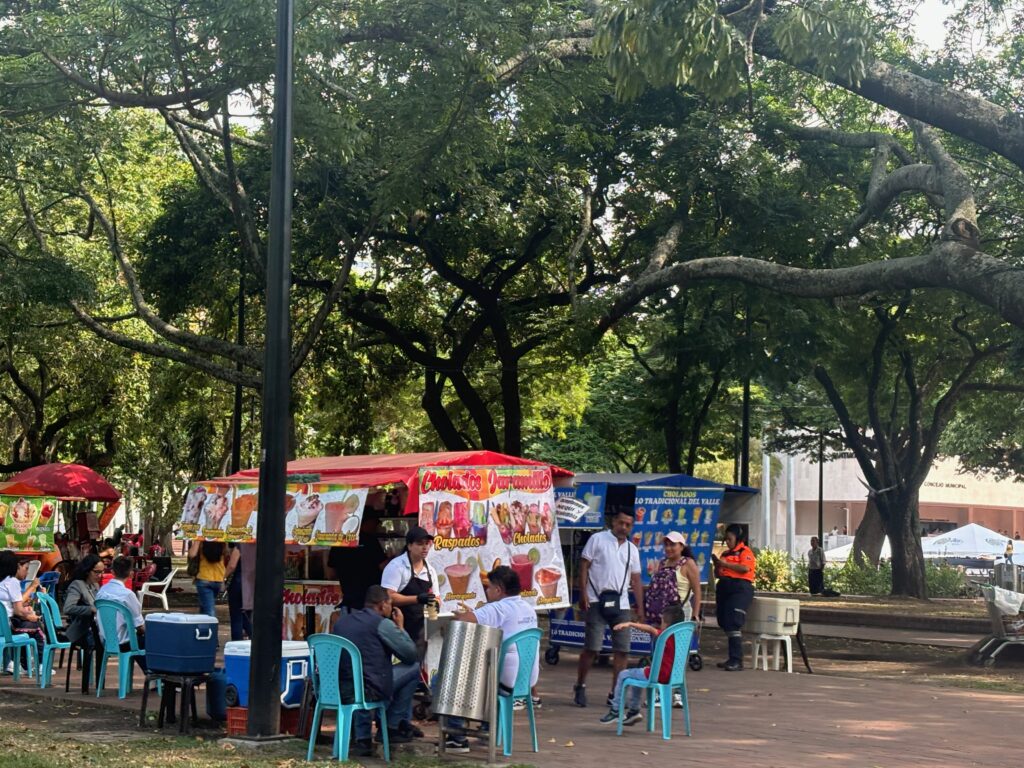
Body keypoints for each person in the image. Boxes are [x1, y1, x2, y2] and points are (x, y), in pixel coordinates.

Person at [444, 566, 539, 752]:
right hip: (526, 680)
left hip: (504, 681)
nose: (486, 591)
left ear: (498, 589)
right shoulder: (528, 608)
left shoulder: (498, 608)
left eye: (488, 587)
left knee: (450, 679)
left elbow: (464, 620)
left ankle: (457, 737)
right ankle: (489, 727)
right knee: (486, 670)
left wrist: (458, 615)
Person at [332, 585, 421, 757]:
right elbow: (410, 655)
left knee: (360, 676)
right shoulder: (382, 624)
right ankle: (390, 727)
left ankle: (362, 738)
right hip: (369, 689)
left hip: (338, 688)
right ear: (382, 605)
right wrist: (400, 628)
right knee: (413, 668)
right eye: (390, 603)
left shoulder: (341, 622)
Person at [574, 510, 644, 708]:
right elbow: (584, 565)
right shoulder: (598, 539)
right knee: (592, 647)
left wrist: (640, 607)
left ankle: (616, 692)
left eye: (628, 525)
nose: (624, 527)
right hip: (596, 599)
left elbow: (636, 579)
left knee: (622, 650)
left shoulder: (632, 549)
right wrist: (583, 593)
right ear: (614, 522)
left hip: (621, 603)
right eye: (621, 523)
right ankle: (580, 684)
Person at [599, 603, 687, 725]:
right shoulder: (683, 636)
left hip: (658, 675)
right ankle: (633, 712)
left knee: (624, 674)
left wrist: (629, 623)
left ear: (666, 623)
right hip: (674, 676)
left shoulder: (665, 635)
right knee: (637, 676)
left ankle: (615, 710)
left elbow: (650, 629)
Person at [381, 526, 438, 657]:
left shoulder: (430, 571)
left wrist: (435, 606)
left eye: (427, 544)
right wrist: (417, 599)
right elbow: (388, 597)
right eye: (419, 544)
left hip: (420, 629)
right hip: (398, 625)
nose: (425, 548)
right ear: (409, 546)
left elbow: (436, 596)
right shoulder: (396, 567)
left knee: (416, 666)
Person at [711, 523, 756, 671]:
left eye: (730, 539)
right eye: (726, 539)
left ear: (738, 538)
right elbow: (719, 573)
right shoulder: (725, 554)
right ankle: (731, 658)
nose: (728, 542)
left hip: (740, 588)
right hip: (724, 587)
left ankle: (737, 660)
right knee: (723, 620)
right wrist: (718, 565)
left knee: (733, 620)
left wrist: (726, 564)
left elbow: (744, 568)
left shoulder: (745, 551)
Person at [327, 509, 388, 612]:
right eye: (375, 523)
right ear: (367, 522)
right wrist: (395, 559)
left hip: (349, 601)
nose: (376, 527)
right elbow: (382, 566)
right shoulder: (370, 540)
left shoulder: (341, 541)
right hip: (369, 602)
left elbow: (330, 573)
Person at [94, 556, 147, 672]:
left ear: (112, 572)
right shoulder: (128, 595)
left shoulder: (102, 591)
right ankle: (155, 675)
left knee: (139, 641)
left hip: (106, 640)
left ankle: (152, 674)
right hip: (124, 642)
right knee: (150, 641)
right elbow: (140, 626)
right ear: (131, 574)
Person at [644, 532, 702, 625]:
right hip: (661, 616)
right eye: (666, 545)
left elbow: (697, 591)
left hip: (680, 614)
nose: (668, 548)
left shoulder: (688, 563)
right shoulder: (662, 563)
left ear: (682, 547)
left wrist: (695, 615)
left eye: (672, 545)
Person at [0, 551, 44, 670]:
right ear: (14, 566)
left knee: (28, 626)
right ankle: (40, 665)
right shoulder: (11, 581)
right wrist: (31, 616)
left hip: (4, 626)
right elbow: (18, 611)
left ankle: (21, 663)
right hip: (6, 628)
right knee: (37, 628)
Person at [63, 554, 103, 650]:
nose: (100, 575)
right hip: (82, 629)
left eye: (102, 572)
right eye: (96, 572)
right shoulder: (77, 585)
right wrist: (91, 609)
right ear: (87, 571)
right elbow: (68, 608)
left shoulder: (95, 585)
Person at [189, 540, 226, 617]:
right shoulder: (222, 540)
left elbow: (192, 554)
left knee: (209, 610)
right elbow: (227, 554)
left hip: (204, 578)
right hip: (218, 578)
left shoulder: (201, 540)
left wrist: (197, 540)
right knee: (205, 606)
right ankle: (203, 627)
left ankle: (211, 627)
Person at [225, 544, 249, 641]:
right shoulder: (258, 545)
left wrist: (223, 576)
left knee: (236, 616)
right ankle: (255, 640)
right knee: (247, 615)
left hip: (238, 583)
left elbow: (232, 565)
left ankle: (237, 642)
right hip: (251, 583)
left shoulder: (241, 545)